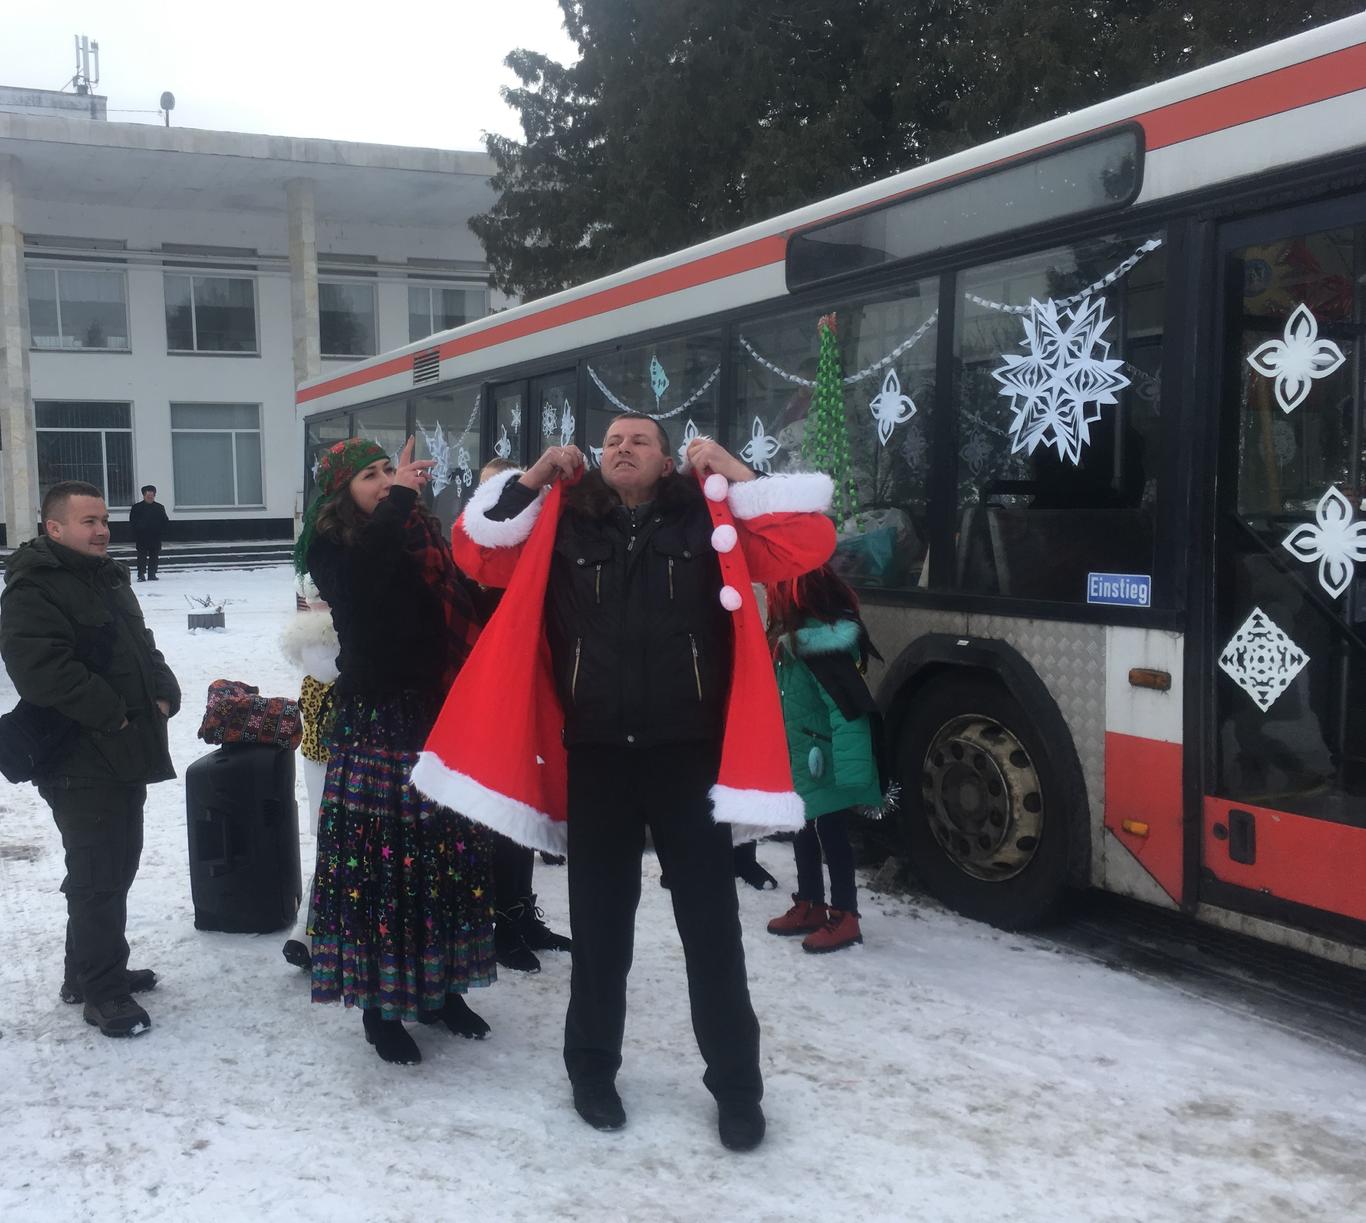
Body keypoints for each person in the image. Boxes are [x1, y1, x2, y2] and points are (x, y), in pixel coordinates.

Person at [415, 415, 836, 1151]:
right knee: (601, 932)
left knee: (712, 935)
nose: (623, 448)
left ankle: (738, 1089)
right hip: (599, 756)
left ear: (669, 459)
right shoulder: (563, 522)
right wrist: (537, 475)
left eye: (640, 440)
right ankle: (591, 1071)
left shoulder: (708, 517)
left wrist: (733, 469)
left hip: (689, 759)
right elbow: (477, 551)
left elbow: (808, 540)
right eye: (612, 441)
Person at [298, 437, 496, 1066]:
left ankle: (442, 988)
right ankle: (381, 1011)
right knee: (383, 870)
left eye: (390, 470)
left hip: (437, 713)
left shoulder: (419, 533)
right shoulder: (334, 546)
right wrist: (402, 500)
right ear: (340, 491)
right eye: (370, 475)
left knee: (446, 856)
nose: (386, 481)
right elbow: (362, 585)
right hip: (378, 720)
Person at [0, 480, 181, 1037]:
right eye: (88, 522)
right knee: (99, 873)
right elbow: (42, 670)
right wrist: (117, 712)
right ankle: (104, 993)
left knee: (115, 863)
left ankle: (85, 971)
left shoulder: (107, 578)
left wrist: (164, 687)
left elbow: (140, 643)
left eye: (104, 520)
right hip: (80, 756)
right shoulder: (33, 589)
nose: (102, 530)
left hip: (121, 748)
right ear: (54, 529)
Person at [470, 458, 572, 975]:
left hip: (541, 691)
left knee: (527, 807)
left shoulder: (541, 549)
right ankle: (499, 924)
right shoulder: (479, 558)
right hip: (493, 697)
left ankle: (520, 913)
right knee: (500, 812)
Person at [764, 564, 883, 953]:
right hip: (802, 757)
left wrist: (852, 774)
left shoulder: (819, 647)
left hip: (824, 761)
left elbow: (847, 710)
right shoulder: (792, 641)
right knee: (801, 830)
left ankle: (845, 915)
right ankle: (811, 902)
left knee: (832, 836)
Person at [128, 484, 169, 582]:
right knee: (141, 556)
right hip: (142, 537)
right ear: (144, 495)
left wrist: (161, 531)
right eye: (148, 495)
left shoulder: (159, 507)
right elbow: (132, 521)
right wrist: (138, 530)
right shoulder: (137, 507)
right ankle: (141, 574)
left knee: (154, 556)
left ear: (154, 495)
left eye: (152, 495)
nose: (150, 497)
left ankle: (152, 574)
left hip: (155, 536)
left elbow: (165, 520)